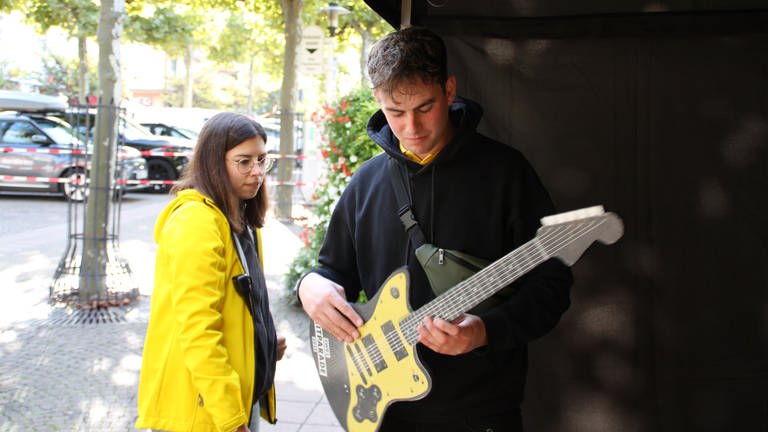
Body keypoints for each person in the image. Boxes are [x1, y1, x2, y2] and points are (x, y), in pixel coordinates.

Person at [297, 26, 574, 431]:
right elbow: (333, 270)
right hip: (385, 413)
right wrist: (310, 286)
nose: (411, 127)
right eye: (395, 112)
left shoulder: (506, 173)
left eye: (424, 107)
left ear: (448, 90)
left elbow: (552, 285)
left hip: (481, 411)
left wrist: (485, 331)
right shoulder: (365, 182)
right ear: (377, 99)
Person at [136, 112, 286, 432]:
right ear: (214, 163)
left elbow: (239, 305)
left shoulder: (240, 220)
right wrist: (231, 419)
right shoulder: (196, 222)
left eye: (262, 159)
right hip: (204, 413)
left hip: (236, 400)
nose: (257, 172)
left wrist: (262, 341)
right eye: (243, 161)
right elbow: (198, 329)